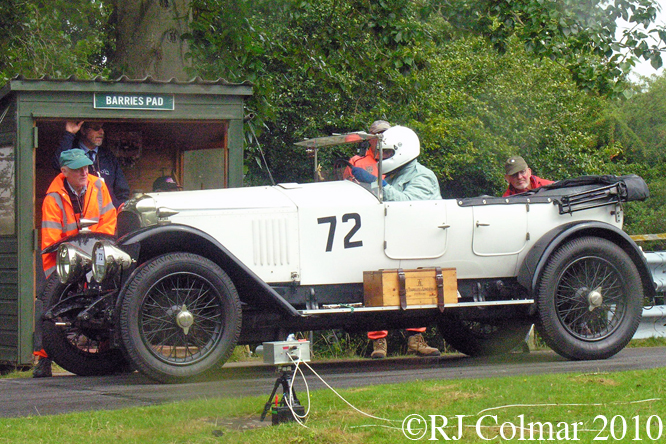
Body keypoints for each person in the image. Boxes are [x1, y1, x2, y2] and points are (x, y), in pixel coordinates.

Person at [351, 125, 442, 359]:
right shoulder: (393, 175)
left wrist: (374, 183)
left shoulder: (422, 176)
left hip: (419, 245)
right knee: (377, 288)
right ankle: (378, 343)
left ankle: (416, 340)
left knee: (417, 290)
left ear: (403, 151)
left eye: (388, 153)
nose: (383, 158)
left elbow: (409, 205)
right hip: (391, 242)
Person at [34, 149, 117, 378]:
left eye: (86, 167)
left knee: (112, 296)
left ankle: (110, 353)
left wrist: (97, 255)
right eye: (78, 168)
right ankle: (43, 358)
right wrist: (58, 282)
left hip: (98, 253)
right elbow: (50, 243)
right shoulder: (53, 198)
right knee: (46, 302)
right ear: (64, 171)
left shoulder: (98, 186)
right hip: (65, 259)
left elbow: (109, 222)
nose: (84, 172)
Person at [54, 121, 130, 208]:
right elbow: (58, 164)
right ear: (83, 130)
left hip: (108, 216)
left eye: (102, 128)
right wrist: (69, 134)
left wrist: (119, 209)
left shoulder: (108, 155)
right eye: (96, 128)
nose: (101, 132)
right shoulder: (72, 152)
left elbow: (122, 189)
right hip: (81, 214)